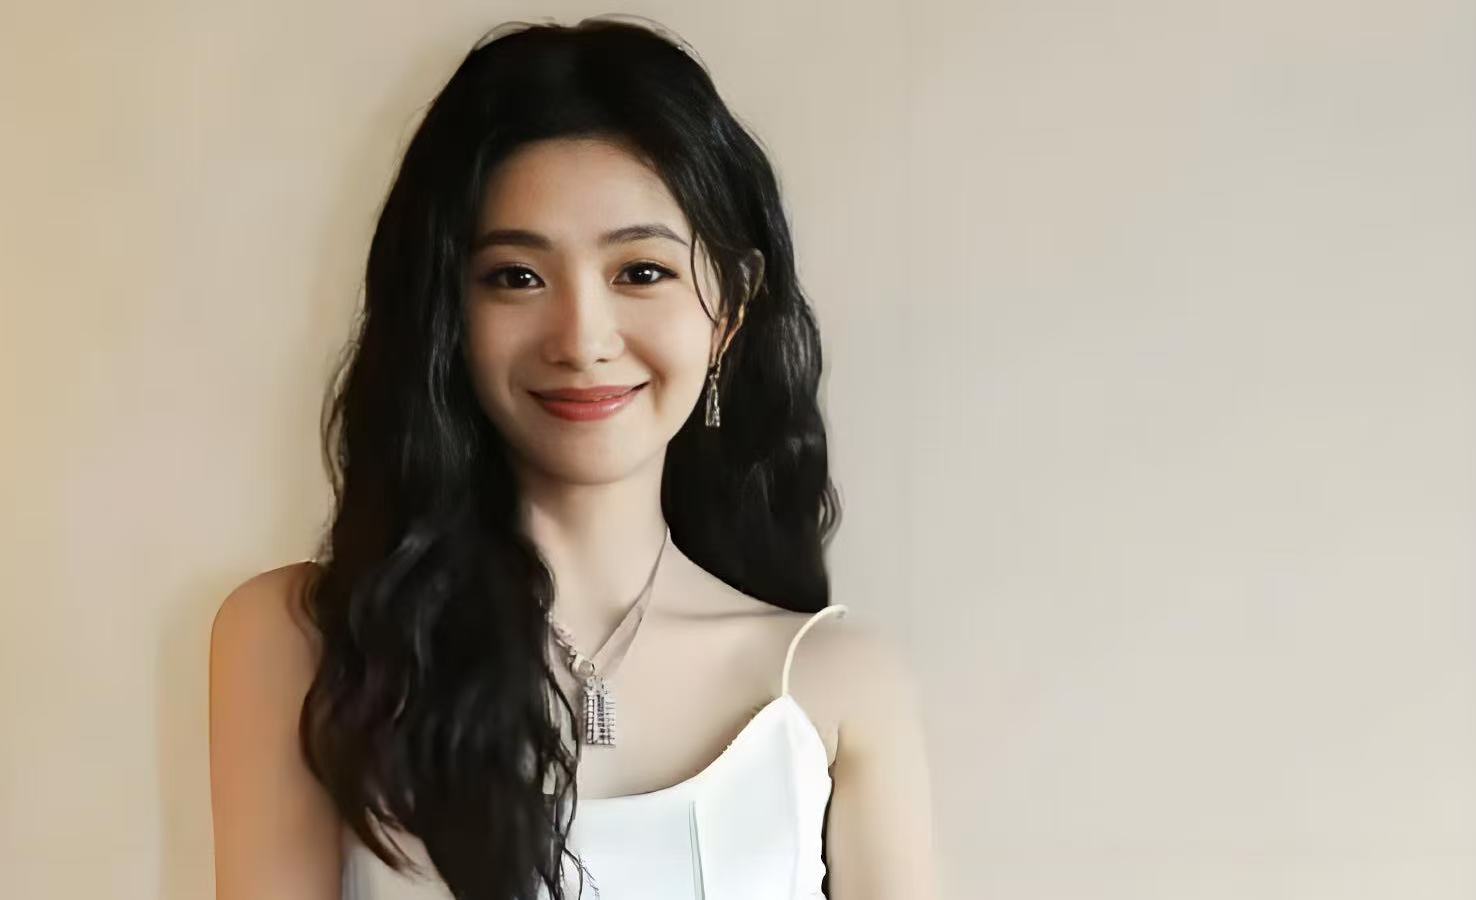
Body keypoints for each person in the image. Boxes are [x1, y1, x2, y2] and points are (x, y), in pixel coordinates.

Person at [209, 14, 937, 900]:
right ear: (446, 313)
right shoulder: (299, 643)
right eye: (516, 277)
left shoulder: (839, 684)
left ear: (732, 309)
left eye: (642, 272)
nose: (583, 339)